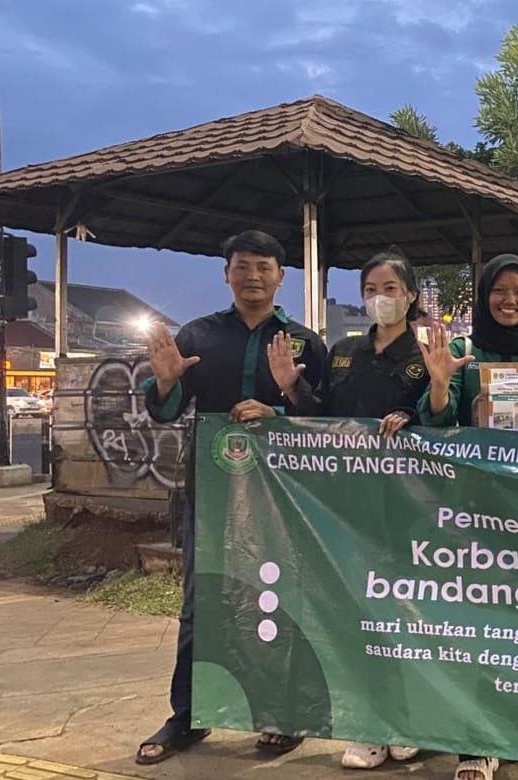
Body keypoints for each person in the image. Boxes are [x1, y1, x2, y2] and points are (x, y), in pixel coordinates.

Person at [135, 230, 326, 764]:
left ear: (281, 276)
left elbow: (325, 419)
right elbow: (166, 410)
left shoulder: (304, 342)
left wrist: (279, 409)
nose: (253, 277)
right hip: (212, 492)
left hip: (283, 497)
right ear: (227, 274)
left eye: (264, 267)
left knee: (280, 601)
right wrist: (166, 384)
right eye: (242, 266)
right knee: (203, 603)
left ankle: (282, 715)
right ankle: (188, 716)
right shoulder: (198, 334)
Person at [268, 249, 428, 770]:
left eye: (391, 288)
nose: (380, 298)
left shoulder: (428, 352)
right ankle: (368, 725)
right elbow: (321, 419)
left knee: (406, 617)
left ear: (411, 295)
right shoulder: (343, 352)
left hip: (406, 509)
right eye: (371, 289)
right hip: (345, 507)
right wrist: (292, 386)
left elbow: (443, 418)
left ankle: (409, 721)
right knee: (357, 617)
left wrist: (412, 414)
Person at [417, 253, 518, 780]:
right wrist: (442, 384)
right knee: (478, 624)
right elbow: (437, 422)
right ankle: (475, 743)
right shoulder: (464, 351)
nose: (510, 300)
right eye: (499, 291)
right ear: (484, 297)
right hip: (476, 510)